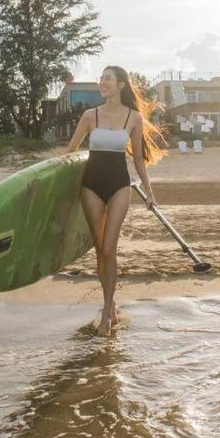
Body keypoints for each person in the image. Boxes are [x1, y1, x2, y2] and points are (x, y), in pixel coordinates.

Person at [66, 66, 165, 335]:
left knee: (110, 247)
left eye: (108, 78)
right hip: (92, 186)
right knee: (100, 249)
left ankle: (108, 315)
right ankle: (109, 306)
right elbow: (70, 152)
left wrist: (150, 193)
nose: (103, 83)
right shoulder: (90, 115)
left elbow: (138, 161)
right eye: (101, 79)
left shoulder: (133, 117)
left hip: (119, 185)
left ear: (121, 84)